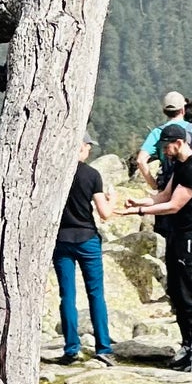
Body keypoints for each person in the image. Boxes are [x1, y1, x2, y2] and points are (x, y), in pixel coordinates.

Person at [125, 125, 192, 358]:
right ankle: (187, 342)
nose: (165, 151)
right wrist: (140, 202)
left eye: (167, 146)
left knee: (190, 291)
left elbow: (175, 205)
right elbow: (164, 195)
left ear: (178, 142)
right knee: (176, 289)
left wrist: (141, 214)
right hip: (178, 233)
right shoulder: (180, 166)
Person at [54, 139, 115, 365]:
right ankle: (103, 347)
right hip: (87, 238)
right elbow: (105, 213)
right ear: (81, 147)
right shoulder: (92, 175)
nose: (89, 149)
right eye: (88, 146)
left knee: (67, 295)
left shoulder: (56, 172)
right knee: (96, 293)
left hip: (61, 239)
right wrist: (112, 199)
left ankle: (71, 348)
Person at [136, 93, 192, 187]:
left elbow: (140, 160)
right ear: (183, 110)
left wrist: (154, 185)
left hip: (169, 187)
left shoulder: (158, 132)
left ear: (164, 111)